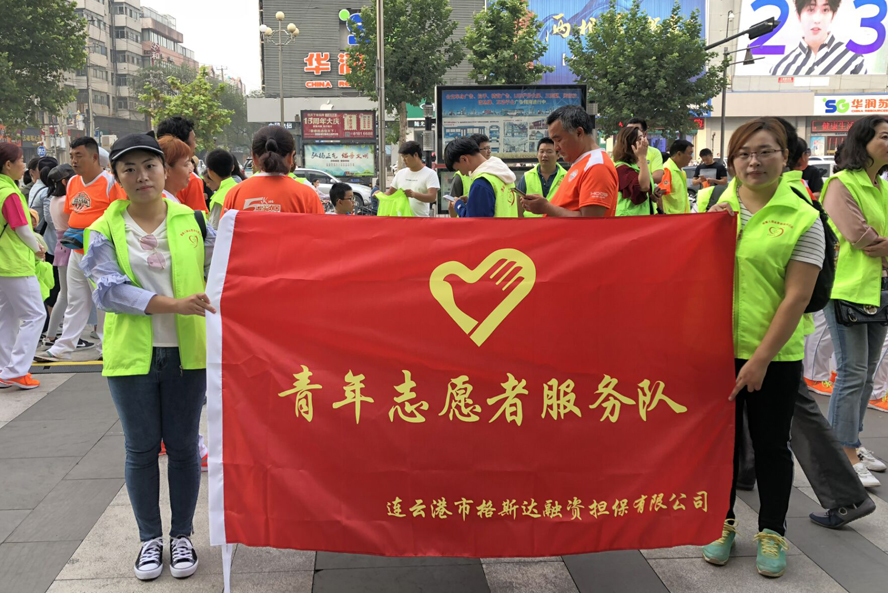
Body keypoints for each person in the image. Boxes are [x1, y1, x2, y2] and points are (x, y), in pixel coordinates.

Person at [81, 133, 215, 581]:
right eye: (129, 169)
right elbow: (110, 293)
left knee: (183, 448)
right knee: (140, 450)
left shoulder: (195, 221)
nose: (142, 176)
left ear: (165, 170)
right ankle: (149, 540)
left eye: (150, 166)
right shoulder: (103, 229)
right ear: (116, 177)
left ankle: (182, 536)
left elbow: (230, 267)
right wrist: (174, 304)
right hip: (131, 358)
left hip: (188, 354)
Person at [704, 118, 824, 577]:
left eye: (765, 151)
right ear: (732, 161)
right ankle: (721, 523)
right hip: (715, 351)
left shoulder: (804, 218)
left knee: (772, 446)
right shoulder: (716, 207)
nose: (753, 162)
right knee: (720, 447)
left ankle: (772, 531)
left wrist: (759, 360)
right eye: (744, 154)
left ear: (785, 157)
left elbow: (797, 297)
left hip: (774, 355)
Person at [821, 115, 888, 487]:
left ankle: (854, 442)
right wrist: (881, 245)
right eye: (884, 136)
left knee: (865, 374)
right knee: (852, 372)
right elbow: (861, 237)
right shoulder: (841, 183)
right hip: (846, 289)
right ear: (863, 142)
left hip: (877, 288)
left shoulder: (881, 186)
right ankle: (842, 451)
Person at [37, 137, 122, 362]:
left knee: (103, 300)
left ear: (94, 157)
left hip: (101, 250)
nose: (74, 161)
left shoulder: (110, 183)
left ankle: (107, 347)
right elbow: (72, 212)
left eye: (79, 156)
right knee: (75, 299)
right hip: (76, 249)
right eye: (72, 156)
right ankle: (62, 348)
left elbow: (120, 215)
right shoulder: (73, 182)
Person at [0, 143, 46, 389]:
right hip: (15, 263)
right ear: (8, 165)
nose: (24, 165)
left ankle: (4, 369)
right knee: (35, 315)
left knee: (6, 317)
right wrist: (37, 248)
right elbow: (22, 228)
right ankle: (16, 370)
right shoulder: (10, 193)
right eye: (20, 160)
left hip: (3, 265)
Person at [522, 105, 618, 218]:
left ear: (579, 133)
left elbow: (590, 221)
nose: (556, 147)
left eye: (558, 140)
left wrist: (546, 207)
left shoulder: (597, 166)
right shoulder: (582, 162)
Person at [223, 126, 324, 215]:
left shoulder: (234, 194)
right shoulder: (307, 196)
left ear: (253, 157)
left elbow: (225, 229)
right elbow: (320, 230)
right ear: (291, 157)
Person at [771, 0, 866, 76]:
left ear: (833, 15)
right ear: (799, 15)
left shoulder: (853, 59)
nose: (817, 19)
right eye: (810, 10)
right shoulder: (780, 69)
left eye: (825, 10)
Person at [443, 137, 517, 218]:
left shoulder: (481, 183)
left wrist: (458, 205)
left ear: (464, 159)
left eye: (459, 169)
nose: (462, 174)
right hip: (509, 225)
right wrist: (473, 202)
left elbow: (474, 222)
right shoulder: (502, 173)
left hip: (493, 227)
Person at [43, 165, 76, 345]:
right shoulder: (66, 201)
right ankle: (69, 337)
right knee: (72, 297)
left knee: (64, 295)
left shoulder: (54, 200)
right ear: (65, 181)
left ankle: (51, 335)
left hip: (60, 247)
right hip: (72, 246)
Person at [157, 117, 208, 212]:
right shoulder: (193, 180)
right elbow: (198, 218)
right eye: (186, 164)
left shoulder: (149, 193)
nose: (190, 169)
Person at [517, 138, 567, 218]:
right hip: (532, 224)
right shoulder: (527, 177)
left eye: (549, 152)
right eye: (542, 151)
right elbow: (518, 205)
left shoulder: (566, 177)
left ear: (558, 155)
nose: (544, 155)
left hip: (557, 223)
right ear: (537, 155)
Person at [611, 126, 656, 216]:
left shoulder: (639, 166)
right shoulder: (622, 168)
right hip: (628, 219)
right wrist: (642, 157)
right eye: (640, 139)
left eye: (643, 137)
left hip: (641, 218)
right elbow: (644, 186)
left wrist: (654, 194)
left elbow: (646, 190)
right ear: (630, 144)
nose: (644, 141)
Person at [388, 141, 440, 217]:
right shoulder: (400, 173)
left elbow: (432, 197)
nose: (404, 160)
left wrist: (414, 195)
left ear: (415, 155)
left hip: (420, 220)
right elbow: (390, 193)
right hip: (401, 220)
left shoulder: (430, 174)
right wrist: (379, 194)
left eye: (406, 156)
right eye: (402, 157)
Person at [657, 140, 694, 214]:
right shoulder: (667, 170)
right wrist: (662, 215)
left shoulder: (682, 172)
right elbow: (659, 195)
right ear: (679, 154)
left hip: (682, 217)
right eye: (690, 154)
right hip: (671, 218)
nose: (691, 157)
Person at [450, 133, 491, 199]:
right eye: (485, 148)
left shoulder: (491, 173)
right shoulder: (460, 176)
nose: (489, 151)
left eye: (489, 148)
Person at [205, 149, 237, 229]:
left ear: (209, 171)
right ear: (232, 168)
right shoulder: (240, 188)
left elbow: (215, 229)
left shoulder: (219, 199)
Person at [627, 117, 664, 185]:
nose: (631, 133)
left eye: (636, 130)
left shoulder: (654, 152)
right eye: (628, 130)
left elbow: (657, 177)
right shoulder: (620, 152)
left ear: (645, 133)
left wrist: (637, 182)